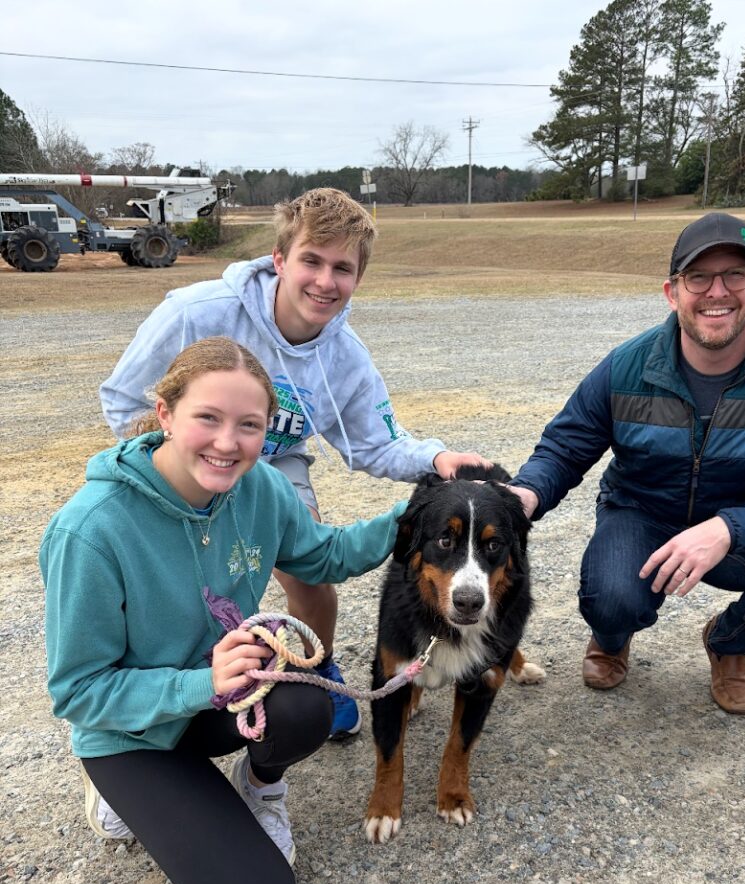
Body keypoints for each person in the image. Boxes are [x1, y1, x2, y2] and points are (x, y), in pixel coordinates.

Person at [41, 338, 410, 884]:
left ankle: (260, 786)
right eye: (207, 418)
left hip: (224, 702)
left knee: (305, 705)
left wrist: (415, 513)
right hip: (132, 734)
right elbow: (77, 692)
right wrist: (200, 683)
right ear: (165, 414)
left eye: (249, 426)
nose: (226, 442)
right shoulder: (91, 530)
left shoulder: (260, 487)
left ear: (267, 434)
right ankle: (122, 790)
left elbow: (322, 555)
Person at [99, 187, 486, 742]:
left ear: (358, 277)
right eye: (311, 260)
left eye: (343, 268)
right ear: (279, 258)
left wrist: (438, 457)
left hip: (275, 468)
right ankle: (155, 697)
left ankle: (314, 667)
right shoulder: (196, 313)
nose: (325, 282)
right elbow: (123, 398)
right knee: (182, 581)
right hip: (180, 461)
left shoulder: (345, 357)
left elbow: (376, 443)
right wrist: (181, 463)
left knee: (309, 571)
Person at [508, 212, 745, 714]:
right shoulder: (626, 366)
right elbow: (566, 447)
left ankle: (729, 643)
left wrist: (727, 529)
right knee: (610, 597)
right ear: (672, 292)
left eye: (734, 275)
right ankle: (612, 637)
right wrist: (526, 495)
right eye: (699, 277)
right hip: (641, 511)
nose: (717, 292)